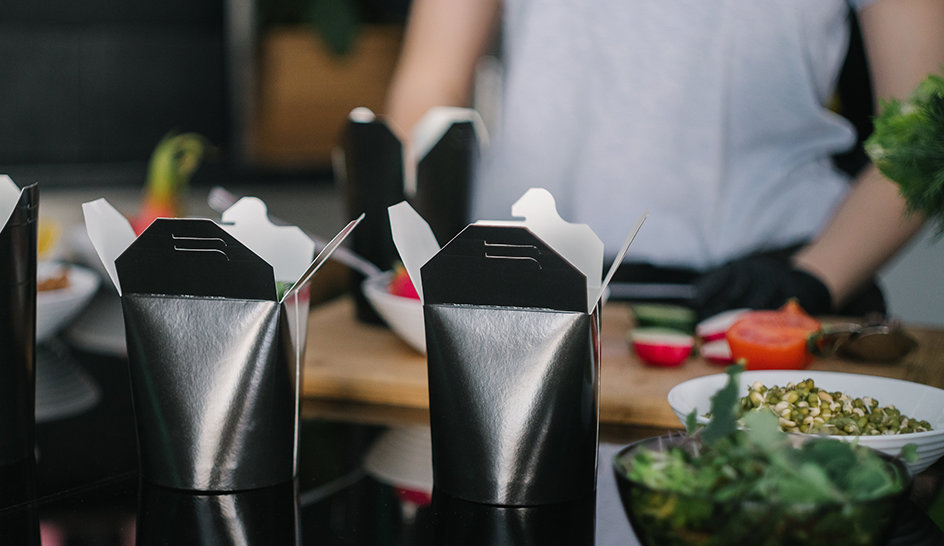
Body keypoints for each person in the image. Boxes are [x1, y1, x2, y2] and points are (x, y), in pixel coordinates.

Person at [384, 0, 944, 319]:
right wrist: (412, 244)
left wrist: (812, 280)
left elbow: (925, 129)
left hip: (768, 297)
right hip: (518, 298)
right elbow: (431, 86)